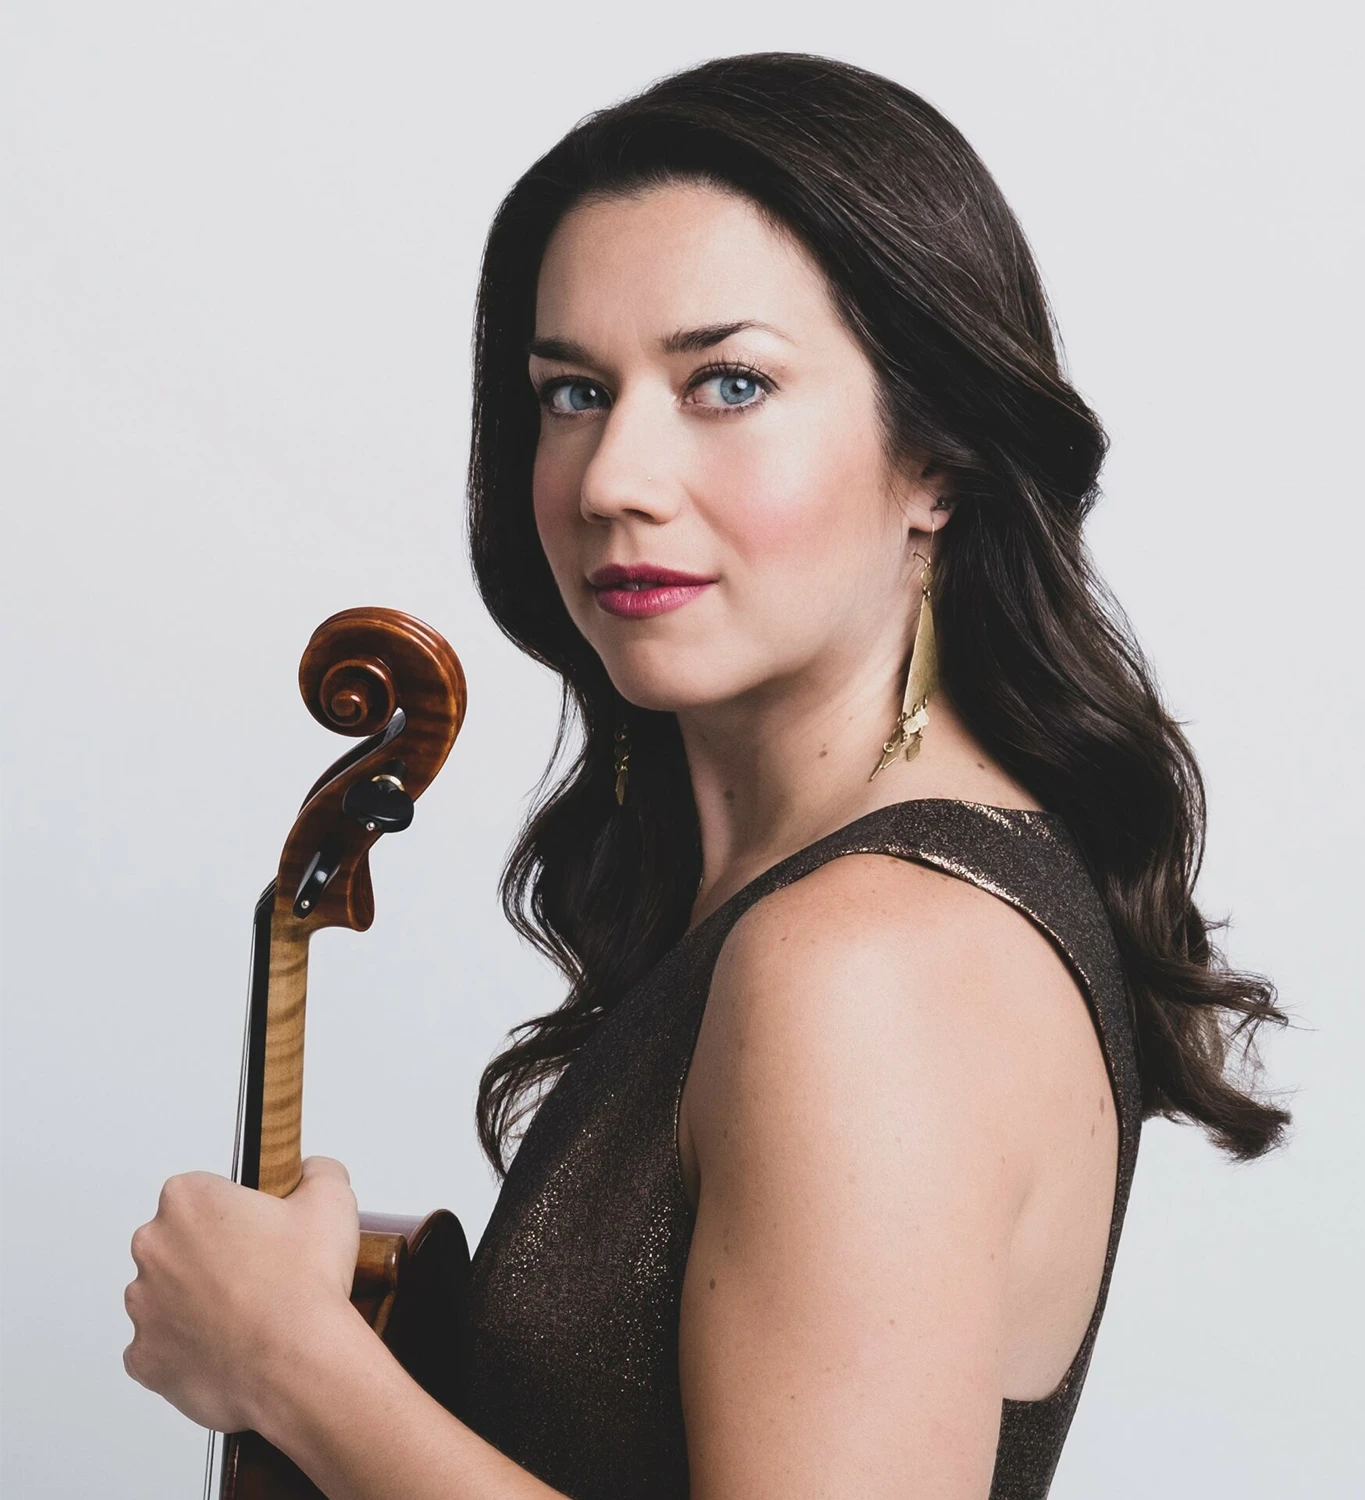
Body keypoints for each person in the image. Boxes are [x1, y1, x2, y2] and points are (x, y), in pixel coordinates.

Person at [123, 52, 1288, 1500]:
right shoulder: (791, 901)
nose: (614, 473)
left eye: (727, 383)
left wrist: (291, 1367)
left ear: (935, 459)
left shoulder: (866, 961)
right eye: (570, 392)